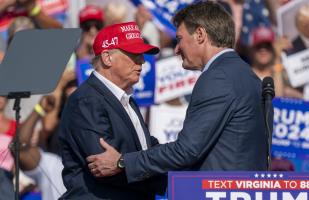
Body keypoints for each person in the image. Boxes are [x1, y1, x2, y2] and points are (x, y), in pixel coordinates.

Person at [87, 1, 268, 184]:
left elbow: (187, 151)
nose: (176, 49)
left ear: (200, 35)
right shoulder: (247, 75)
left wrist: (122, 162)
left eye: (180, 39)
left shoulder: (217, 78)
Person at [58, 22, 165, 200]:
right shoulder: (87, 100)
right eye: (133, 54)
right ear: (107, 58)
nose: (142, 61)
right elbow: (104, 168)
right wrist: (164, 176)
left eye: (141, 54)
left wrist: (180, 158)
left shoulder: (124, 99)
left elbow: (145, 147)